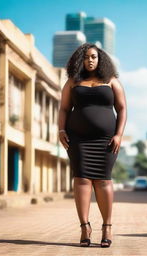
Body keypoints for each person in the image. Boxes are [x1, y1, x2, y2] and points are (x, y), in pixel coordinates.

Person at [58, 43, 127, 248]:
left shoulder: (111, 81)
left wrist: (119, 135)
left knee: (104, 180)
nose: (90, 60)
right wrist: (61, 130)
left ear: (100, 59)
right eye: (86, 57)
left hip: (105, 140)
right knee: (81, 180)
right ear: (80, 59)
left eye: (94, 57)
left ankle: (107, 227)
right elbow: (63, 109)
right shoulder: (72, 82)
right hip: (77, 139)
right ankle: (84, 227)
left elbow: (122, 109)